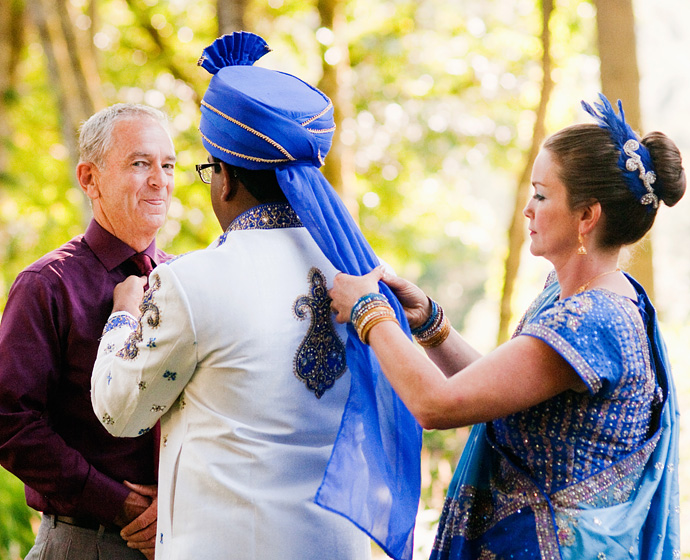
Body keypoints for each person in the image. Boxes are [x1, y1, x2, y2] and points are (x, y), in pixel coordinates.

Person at [90, 32, 422, 560]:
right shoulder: (365, 277)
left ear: (224, 179)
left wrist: (124, 320)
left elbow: (119, 412)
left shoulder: (193, 282)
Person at [329, 94, 684, 560]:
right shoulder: (571, 297)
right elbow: (502, 396)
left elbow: (436, 406)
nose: (527, 210)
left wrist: (368, 312)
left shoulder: (594, 319)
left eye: (541, 194)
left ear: (586, 215)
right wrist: (431, 325)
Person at [0, 103, 176, 560]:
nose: (159, 179)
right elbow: (8, 420)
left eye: (168, 165)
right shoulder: (47, 285)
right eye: (140, 164)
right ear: (89, 179)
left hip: (184, 539)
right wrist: (118, 504)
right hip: (87, 542)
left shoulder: (187, 284)